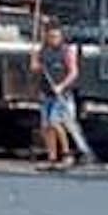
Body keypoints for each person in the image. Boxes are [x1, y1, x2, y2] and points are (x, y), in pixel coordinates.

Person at [30, 23, 80, 171]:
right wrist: (34, 65)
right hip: (46, 93)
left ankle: (67, 155)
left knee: (55, 122)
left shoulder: (66, 51)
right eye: (51, 36)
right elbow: (36, 68)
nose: (54, 39)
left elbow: (73, 72)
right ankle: (52, 157)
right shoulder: (43, 51)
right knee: (46, 127)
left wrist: (61, 86)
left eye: (56, 36)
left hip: (61, 95)